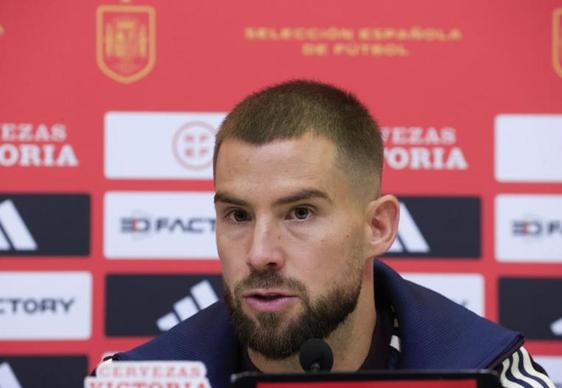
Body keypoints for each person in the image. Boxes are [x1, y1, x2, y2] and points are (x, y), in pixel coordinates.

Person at [106, 80, 554, 388]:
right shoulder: (138, 379)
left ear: (377, 227)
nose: (260, 254)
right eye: (238, 216)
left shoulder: (489, 374)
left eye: (300, 213)